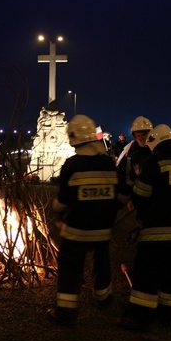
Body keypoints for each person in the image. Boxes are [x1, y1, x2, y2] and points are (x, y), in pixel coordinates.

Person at [47, 114, 128, 327]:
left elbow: (62, 201)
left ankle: (66, 313)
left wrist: (57, 212)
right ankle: (104, 299)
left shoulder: (72, 165)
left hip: (76, 230)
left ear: (74, 138)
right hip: (102, 230)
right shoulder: (109, 164)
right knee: (101, 264)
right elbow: (120, 196)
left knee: (70, 267)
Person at [118, 124, 171, 332]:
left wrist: (140, 217)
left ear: (156, 142)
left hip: (156, 232)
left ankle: (140, 318)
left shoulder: (155, 163)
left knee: (146, 275)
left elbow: (140, 195)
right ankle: (166, 316)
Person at [116, 116, 153, 188]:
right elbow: (120, 170)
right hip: (133, 189)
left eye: (144, 133)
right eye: (138, 134)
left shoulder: (156, 149)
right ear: (134, 135)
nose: (141, 137)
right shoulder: (128, 148)